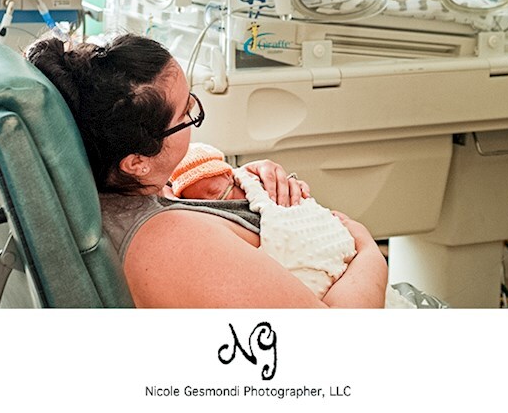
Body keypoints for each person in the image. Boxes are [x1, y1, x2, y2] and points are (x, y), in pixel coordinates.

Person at [24, 33, 388, 309]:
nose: (193, 121)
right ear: (136, 161)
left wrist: (241, 184)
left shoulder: (125, 183)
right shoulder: (166, 242)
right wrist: (369, 250)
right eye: (185, 114)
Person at [170, 143, 356, 299]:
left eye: (215, 192)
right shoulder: (191, 221)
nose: (212, 202)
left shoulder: (249, 182)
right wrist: (367, 249)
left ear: (229, 177)